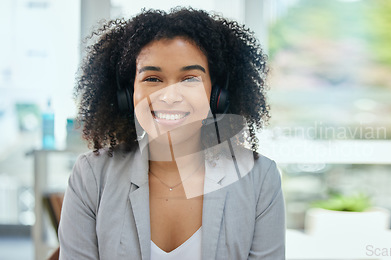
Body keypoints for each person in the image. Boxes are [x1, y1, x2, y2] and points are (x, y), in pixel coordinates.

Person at [57, 7, 286, 260]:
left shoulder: (260, 178)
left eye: (189, 79)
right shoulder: (92, 176)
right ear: (127, 95)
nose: (169, 96)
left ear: (217, 94)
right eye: (152, 79)